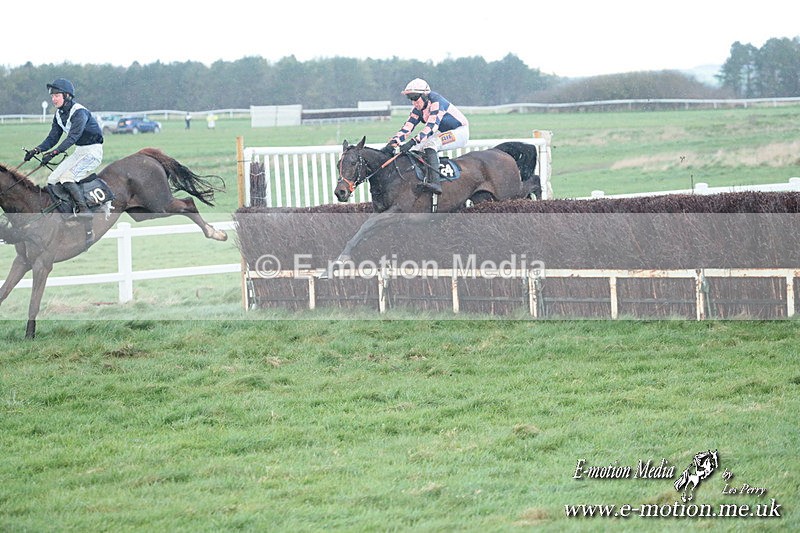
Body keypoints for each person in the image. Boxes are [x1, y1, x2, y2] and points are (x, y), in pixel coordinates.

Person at [24, 78, 103, 217]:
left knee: (67, 177)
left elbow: (72, 137)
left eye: (56, 95)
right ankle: (66, 211)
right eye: (52, 96)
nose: (53, 99)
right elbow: (52, 138)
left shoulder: (79, 112)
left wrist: (53, 153)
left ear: (67, 96)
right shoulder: (58, 115)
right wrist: (36, 150)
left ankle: (84, 210)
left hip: (93, 152)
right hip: (79, 151)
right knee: (53, 179)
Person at [382, 78, 470, 194]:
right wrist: (393, 142)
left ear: (424, 95)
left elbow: (431, 127)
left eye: (415, 97)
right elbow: (407, 128)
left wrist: (412, 141)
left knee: (431, 145)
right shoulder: (417, 109)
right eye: (410, 98)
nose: (413, 102)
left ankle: (436, 183)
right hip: (443, 132)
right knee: (415, 149)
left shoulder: (437, 102)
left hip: (459, 131)